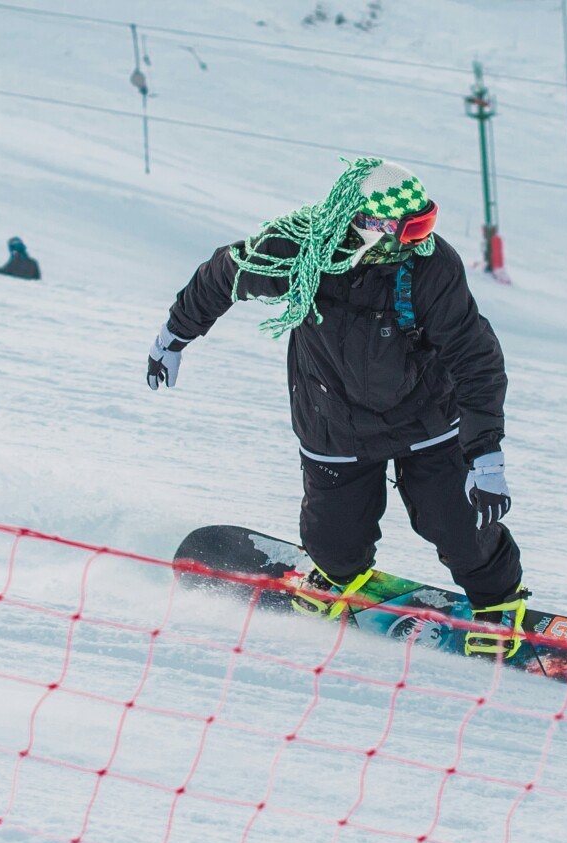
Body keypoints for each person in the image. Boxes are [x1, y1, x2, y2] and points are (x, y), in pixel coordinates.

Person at [147, 157, 531, 663]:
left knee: (458, 525)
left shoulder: (431, 268)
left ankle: (497, 605)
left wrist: (486, 456)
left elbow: (475, 356)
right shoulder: (298, 250)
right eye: (411, 229)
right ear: (365, 223)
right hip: (335, 423)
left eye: (428, 224)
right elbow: (224, 273)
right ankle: (335, 576)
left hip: (426, 421)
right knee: (333, 541)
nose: (422, 239)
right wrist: (175, 335)